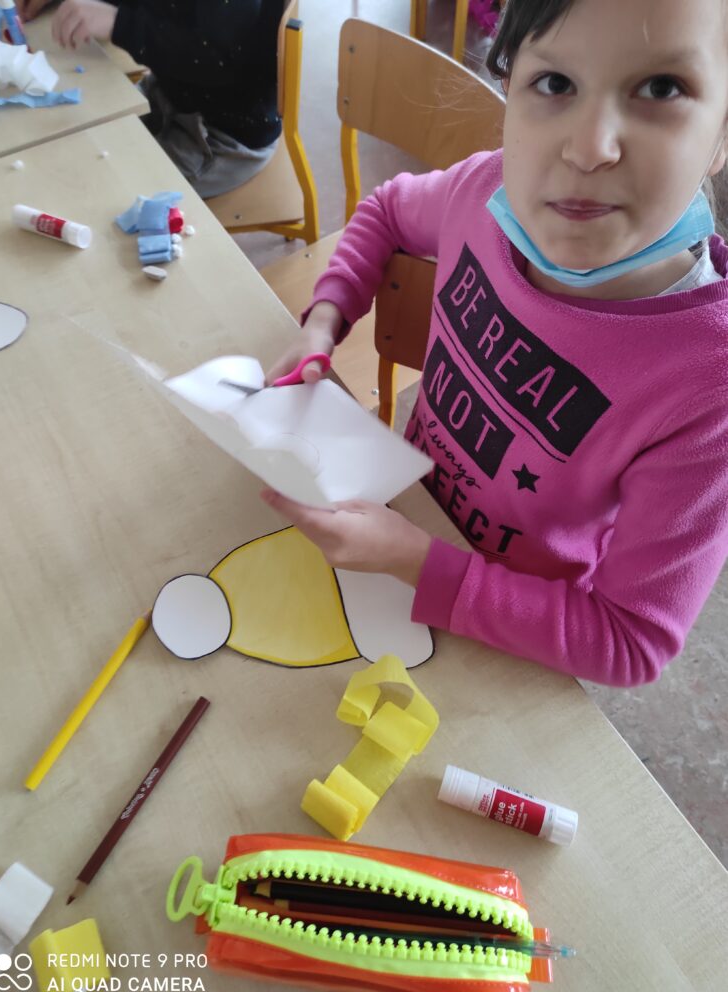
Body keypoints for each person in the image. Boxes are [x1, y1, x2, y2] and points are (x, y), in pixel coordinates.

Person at [262, 0, 728, 687]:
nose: (589, 148)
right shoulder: (482, 188)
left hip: (508, 632)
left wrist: (413, 560)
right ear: (508, 90)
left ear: (721, 135)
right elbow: (386, 210)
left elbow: (630, 641)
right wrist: (324, 320)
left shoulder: (706, 379)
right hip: (395, 509)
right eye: (555, 83)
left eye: (661, 88)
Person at [16, 0, 285, 198]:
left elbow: (220, 60)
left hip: (222, 136)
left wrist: (118, 23)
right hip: (169, 93)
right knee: (68, 150)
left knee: (97, 194)